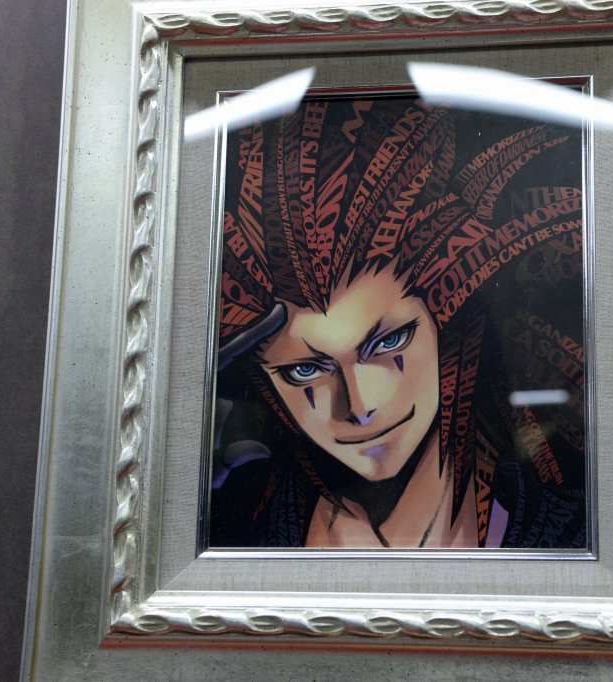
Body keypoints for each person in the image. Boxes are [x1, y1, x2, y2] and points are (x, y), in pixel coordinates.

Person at [210, 96, 588, 549]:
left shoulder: (574, 537)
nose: (359, 405)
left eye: (389, 343)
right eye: (305, 370)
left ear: (446, 325)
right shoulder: (236, 531)